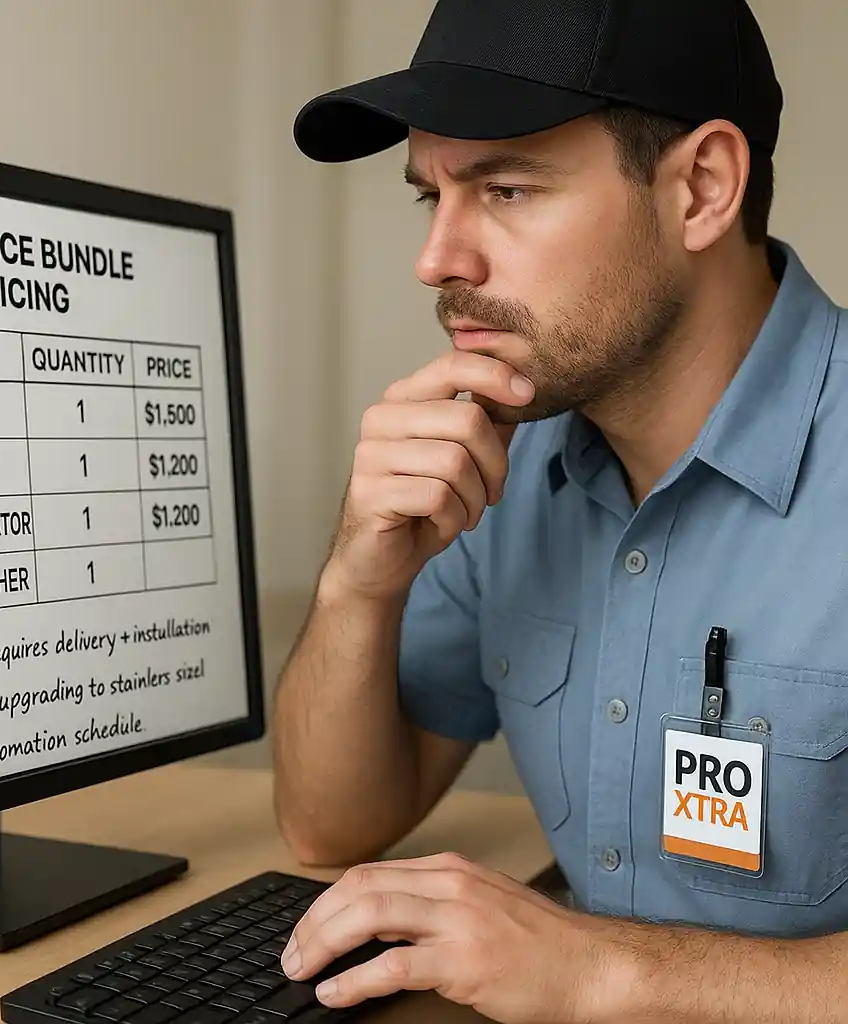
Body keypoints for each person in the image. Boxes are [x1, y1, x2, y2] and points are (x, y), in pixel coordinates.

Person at [271, 0, 848, 1020]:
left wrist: (595, 969)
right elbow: (329, 828)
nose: (437, 259)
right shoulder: (500, 457)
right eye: (430, 198)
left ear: (702, 189)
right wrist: (360, 576)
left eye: (505, 188)